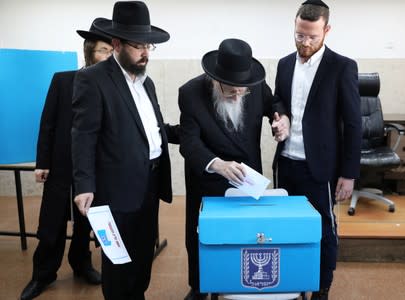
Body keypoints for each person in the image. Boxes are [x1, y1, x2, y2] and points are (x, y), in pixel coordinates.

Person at [71, 2, 178, 299]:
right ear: (116, 44)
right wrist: (84, 185)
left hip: (149, 183)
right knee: (119, 263)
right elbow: (83, 136)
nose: (145, 52)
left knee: (143, 255)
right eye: (138, 46)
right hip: (115, 190)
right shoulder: (92, 79)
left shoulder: (148, 82)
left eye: (149, 46)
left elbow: (149, 128)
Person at [178, 38, 290, 300]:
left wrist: (280, 119)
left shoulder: (254, 85)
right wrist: (216, 164)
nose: (239, 94)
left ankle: (238, 281)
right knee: (200, 235)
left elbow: (274, 103)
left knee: (244, 232)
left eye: (244, 90)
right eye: (232, 90)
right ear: (216, 79)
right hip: (209, 174)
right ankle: (199, 286)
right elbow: (189, 141)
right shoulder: (191, 93)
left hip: (246, 177)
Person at [272, 0, 362, 299]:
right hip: (285, 162)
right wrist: (281, 116)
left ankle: (321, 288)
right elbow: (278, 100)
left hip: (320, 166)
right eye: (299, 35)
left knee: (323, 230)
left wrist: (349, 174)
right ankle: (293, 284)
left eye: (312, 36)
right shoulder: (284, 63)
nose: (305, 42)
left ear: (327, 30)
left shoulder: (343, 66)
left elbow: (352, 124)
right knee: (287, 228)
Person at [20, 18, 113, 300]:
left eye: (112, 51)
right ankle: (43, 274)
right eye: (103, 50)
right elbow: (47, 123)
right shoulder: (63, 80)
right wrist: (42, 162)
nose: (109, 56)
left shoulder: (113, 86)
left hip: (95, 168)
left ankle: (81, 263)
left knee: (86, 222)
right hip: (61, 165)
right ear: (89, 52)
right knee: (52, 223)